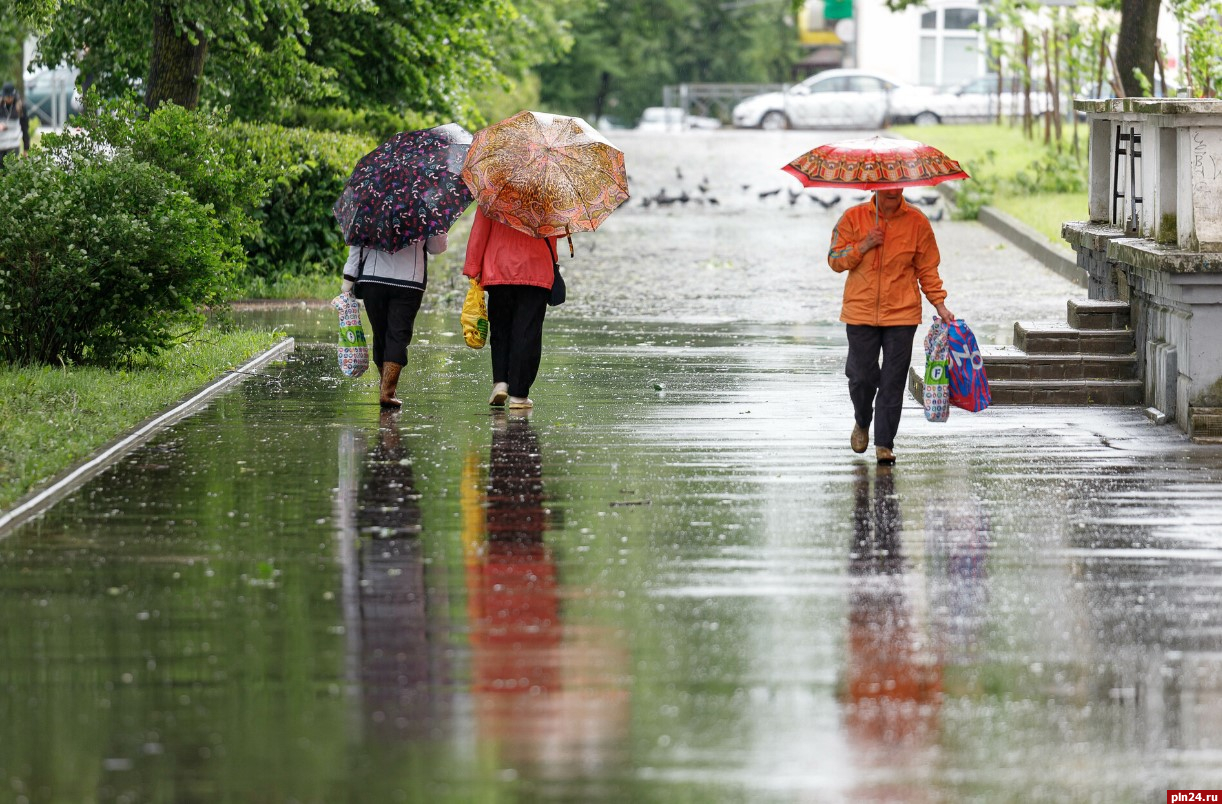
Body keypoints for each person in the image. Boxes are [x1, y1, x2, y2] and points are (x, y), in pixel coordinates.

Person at [828, 188, 954, 465]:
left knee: (893, 381)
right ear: (874, 187)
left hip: (902, 314)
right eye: (885, 186)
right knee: (861, 377)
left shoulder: (917, 222)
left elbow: (927, 269)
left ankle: (884, 443)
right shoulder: (853, 218)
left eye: (897, 185)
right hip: (860, 312)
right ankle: (862, 420)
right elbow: (835, 260)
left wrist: (940, 304)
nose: (892, 191)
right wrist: (864, 244)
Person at [462, 207, 559, 409]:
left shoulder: (492, 190)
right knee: (527, 332)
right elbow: (553, 233)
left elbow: (480, 230)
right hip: (536, 268)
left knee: (500, 329)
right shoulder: (547, 193)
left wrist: (474, 268)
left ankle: (500, 383)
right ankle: (519, 395)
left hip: (498, 266)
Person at [341, 234, 446, 408]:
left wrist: (348, 278)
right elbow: (437, 248)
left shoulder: (373, 208)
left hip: (373, 279)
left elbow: (359, 244)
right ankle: (387, 392)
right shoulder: (424, 208)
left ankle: (387, 389)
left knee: (380, 335)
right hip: (410, 281)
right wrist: (438, 230)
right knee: (398, 335)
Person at [0, 82, 30, 166]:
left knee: (10, 174)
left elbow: (25, 128)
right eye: (7, 96)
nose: (9, 99)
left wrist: (26, 148)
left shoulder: (20, 107)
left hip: (13, 146)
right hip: (0, 146)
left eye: (11, 96)